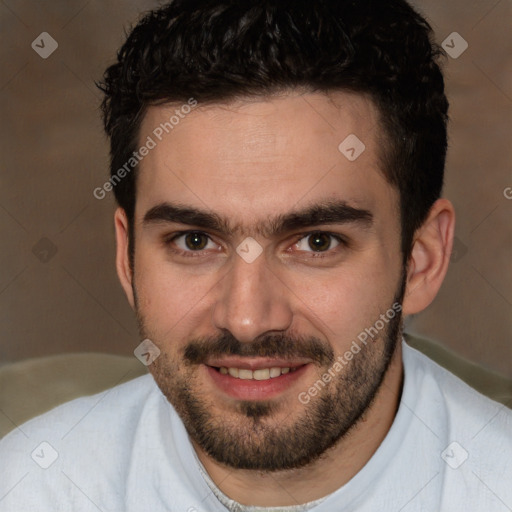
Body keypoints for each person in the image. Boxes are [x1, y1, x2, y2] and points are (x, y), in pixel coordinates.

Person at [1, 1, 510, 510]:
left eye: (317, 242)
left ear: (421, 260)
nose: (246, 319)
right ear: (127, 256)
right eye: (194, 241)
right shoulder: (32, 487)